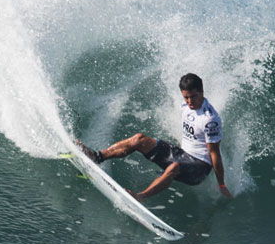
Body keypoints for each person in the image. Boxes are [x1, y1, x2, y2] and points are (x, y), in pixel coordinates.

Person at [78, 73, 233, 201]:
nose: (190, 101)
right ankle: (97, 157)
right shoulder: (185, 107)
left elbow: (214, 153)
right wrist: (179, 151)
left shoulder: (210, 120)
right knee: (140, 139)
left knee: (174, 167)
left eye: (193, 96)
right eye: (186, 97)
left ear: (201, 91)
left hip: (199, 168)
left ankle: (140, 197)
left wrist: (221, 185)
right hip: (182, 155)